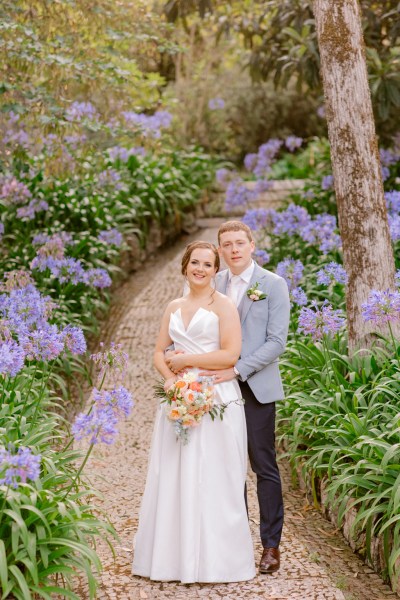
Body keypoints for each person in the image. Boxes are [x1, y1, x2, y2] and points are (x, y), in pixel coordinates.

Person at [132, 241, 256, 583]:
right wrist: (173, 380)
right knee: (173, 474)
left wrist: (187, 361)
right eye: (194, 263)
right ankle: (172, 560)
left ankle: (217, 562)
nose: (200, 269)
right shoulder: (173, 306)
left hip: (215, 396)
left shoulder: (225, 306)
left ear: (216, 271)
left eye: (207, 264)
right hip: (178, 398)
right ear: (185, 266)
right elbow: (159, 351)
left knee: (214, 475)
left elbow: (230, 354)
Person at [198, 221, 290, 574]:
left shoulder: (272, 285)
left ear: (252, 246)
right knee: (224, 465)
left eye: (240, 243)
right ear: (220, 250)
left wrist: (237, 370)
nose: (234, 249)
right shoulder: (212, 284)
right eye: (227, 245)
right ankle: (230, 542)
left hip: (254, 388)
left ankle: (270, 546)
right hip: (217, 388)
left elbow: (276, 342)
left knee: (263, 466)